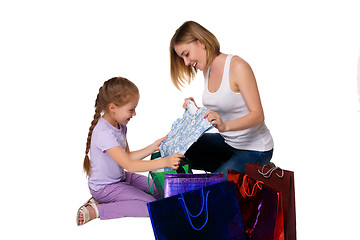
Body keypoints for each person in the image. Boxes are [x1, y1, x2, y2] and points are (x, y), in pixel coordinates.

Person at [170, 21, 274, 178]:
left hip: (255, 148)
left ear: (201, 42)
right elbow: (223, 108)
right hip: (227, 143)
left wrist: (225, 126)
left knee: (213, 191)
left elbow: (258, 115)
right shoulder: (207, 69)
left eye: (186, 54)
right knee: (177, 151)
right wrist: (195, 111)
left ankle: (242, 172)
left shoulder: (238, 66)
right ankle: (226, 172)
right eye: (182, 58)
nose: (186, 63)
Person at [77, 77, 183, 225]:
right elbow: (130, 165)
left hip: (121, 178)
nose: (134, 114)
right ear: (112, 107)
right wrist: (164, 162)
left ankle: (107, 201)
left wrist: (152, 147)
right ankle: (99, 209)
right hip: (105, 187)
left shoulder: (120, 126)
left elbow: (127, 157)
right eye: (131, 110)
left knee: (160, 191)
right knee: (151, 206)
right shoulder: (103, 133)